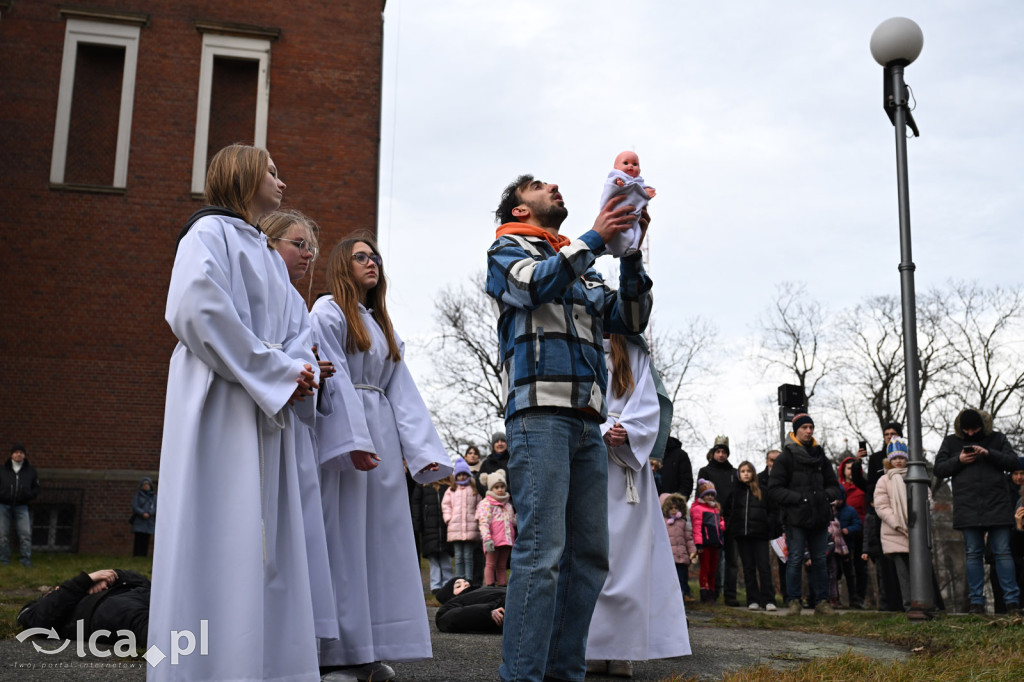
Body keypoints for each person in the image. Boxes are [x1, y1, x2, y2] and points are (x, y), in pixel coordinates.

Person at [150, 144, 322, 682]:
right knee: (216, 529)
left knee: (267, 543)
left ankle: (263, 664)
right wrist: (275, 372)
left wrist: (301, 370)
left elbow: (296, 329)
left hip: (264, 410)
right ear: (244, 177)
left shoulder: (266, 254)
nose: (282, 182)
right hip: (219, 397)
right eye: (272, 171)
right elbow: (196, 308)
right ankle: (201, 667)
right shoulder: (208, 234)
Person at [485, 173, 653, 682]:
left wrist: (629, 251)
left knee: (589, 558)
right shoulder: (507, 249)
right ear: (518, 210)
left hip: (587, 423)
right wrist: (597, 238)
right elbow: (533, 285)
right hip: (539, 416)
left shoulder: (581, 265)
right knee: (541, 553)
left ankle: (564, 674)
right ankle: (522, 677)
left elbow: (631, 318)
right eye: (537, 185)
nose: (553, 185)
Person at [311, 235, 452, 681]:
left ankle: (370, 646)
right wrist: (353, 439)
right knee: (344, 541)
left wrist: (424, 454)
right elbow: (331, 381)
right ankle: (333, 652)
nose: (371, 262)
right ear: (342, 265)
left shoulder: (382, 325)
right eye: (361, 257)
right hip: (344, 438)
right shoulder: (328, 312)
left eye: (375, 257)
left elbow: (402, 393)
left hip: (383, 441)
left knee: (379, 544)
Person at [586, 334, 690, 677]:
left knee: (629, 556)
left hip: (628, 468)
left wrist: (627, 430)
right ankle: (590, 645)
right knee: (591, 551)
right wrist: (601, 428)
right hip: (589, 455)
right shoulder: (577, 339)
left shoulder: (633, 351)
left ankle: (623, 649)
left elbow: (649, 402)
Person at [263, 208, 340, 642]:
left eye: (312, 247)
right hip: (261, 410)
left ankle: (293, 633)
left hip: (290, 420)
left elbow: (297, 350)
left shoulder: (295, 300)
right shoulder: (254, 284)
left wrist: (311, 367)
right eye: (299, 244)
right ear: (270, 242)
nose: (309, 254)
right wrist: (298, 366)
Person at [933, 408, 1021, 615]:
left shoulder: (997, 438)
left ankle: (1012, 602)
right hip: (968, 506)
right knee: (973, 554)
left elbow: (1013, 462)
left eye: (975, 429)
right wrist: (959, 460)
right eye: (967, 430)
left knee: (1003, 553)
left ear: (983, 426)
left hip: (997, 504)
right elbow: (939, 468)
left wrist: (988, 453)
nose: (971, 433)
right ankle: (976, 603)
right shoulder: (951, 442)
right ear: (961, 429)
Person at [768, 413, 843, 616]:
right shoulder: (786, 458)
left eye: (811, 427)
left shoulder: (821, 457)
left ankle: (821, 602)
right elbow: (774, 489)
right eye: (804, 427)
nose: (808, 431)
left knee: (820, 560)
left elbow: (834, 486)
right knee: (795, 559)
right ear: (795, 430)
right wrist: (800, 498)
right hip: (795, 518)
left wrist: (824, 497)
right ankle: (794, 601)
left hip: (819, 517)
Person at [18, 568, 150, 645]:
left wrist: (111, 577)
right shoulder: (33, 610)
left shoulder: (81, 589)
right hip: (103, 609)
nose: (59, 589)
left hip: (137, 591)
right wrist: (85, 580)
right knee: (149, 627)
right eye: (55, 591)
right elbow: (40, 622)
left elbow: (142, 580)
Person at [852, 422, 904, 611]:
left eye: (894, 434)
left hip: (902, 513)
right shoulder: (876, 459)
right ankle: (886, 602)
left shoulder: (906, 457)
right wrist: (858, 464)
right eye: (887, 434)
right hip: (881, 515)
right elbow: (865, 485)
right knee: (884, 562)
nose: (890, 437)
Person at [697, 436, 739, 606]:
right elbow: (699, 496)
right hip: (711, 521)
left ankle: (730, 594)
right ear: (713, 453)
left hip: (731, 520)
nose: (721, 455)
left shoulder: (733, 473)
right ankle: (711, 592)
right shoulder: (705, 471)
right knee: (711, 560)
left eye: (724, 452)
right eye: (718, 452)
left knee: (732, 560)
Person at [873, 437, 914, 611]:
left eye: (902, 457)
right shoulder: (884, 480)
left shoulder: (915, 476)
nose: (898, 461)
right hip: (895, 532)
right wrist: (898, 524)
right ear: (890, 460)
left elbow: (926, 500)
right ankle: (908, 605)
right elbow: (882, 506)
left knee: (919, 570)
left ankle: (924, 601)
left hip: (915, 530)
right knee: (902, 573)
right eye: (895, 458)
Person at [730, 461, 775, 611]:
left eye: (749, 471)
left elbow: (772, 511)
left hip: (760, 534)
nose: (746, 474)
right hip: (742, 535)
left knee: (764, 567)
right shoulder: (735, 492)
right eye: (742, 471)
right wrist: (733, 529)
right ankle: (752, 599)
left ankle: (768, 599)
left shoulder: (762, 490)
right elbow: (729, 512)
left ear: (753, 473)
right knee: (748, 567)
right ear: (739, 474)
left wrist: (768, 526)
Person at [599, 151, 656, 257]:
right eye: (626, 163)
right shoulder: (616, 177)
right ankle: (615, 244)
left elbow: (642, 188)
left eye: (635, 164)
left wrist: (647, 191)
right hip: (616, 209)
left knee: (633, 228)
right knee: (616, 226)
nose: (631, 166)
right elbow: (611, 187)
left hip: (632, 214)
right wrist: (617, 184)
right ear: (616, 167)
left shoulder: (638, 181)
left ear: (639, 170)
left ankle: (631, 246)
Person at [413, 476, 455, 593]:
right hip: (428, 528)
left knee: (446, 558)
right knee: (433, 559)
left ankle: (448, 584)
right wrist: (417, 524)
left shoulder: (449, 487)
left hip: (446, 527)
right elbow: (416, 505)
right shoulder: (422, 486)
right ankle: (435, 585)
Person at [1, 443, 40, 567]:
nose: (19, 454)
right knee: (2, 535)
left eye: (21, 452)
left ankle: (26, 559)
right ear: (12, 454)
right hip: (3, 505)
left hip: (22, 506)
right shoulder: (3, 470)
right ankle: (4, 559)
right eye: (16, 452)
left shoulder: (30, 471)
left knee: (25, 534)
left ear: (24, 455)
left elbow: (36, 488)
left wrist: (29, 495)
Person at [443, 458, 482, 581]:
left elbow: (480, 505)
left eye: (464, 474)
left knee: (468, 556)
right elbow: (446, 505)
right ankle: (460, 580)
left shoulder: (474, 490)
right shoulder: (451, 490)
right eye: (459, 474)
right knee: (459, 556)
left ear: (468, 475)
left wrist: (476, 518)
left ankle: (469, 580)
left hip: (471, 528)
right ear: (456, 476)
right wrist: (449, 518)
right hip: (455, 527)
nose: (462, 477)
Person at [836, 455, 867, 608]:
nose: (851, 471)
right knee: (838, 567)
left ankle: (858, 598)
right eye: (848, 468)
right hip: (840, 536)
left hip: (859, 532)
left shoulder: (862, 486)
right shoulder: (838, 488)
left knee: (860, 567)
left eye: (853, 468)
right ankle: (834, 597)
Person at [476, 470, 516, 587]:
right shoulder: (486, 503)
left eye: (502, 486)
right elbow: (484, 522)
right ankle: (490, 586)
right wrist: (487, 539)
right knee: (490, 564)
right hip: (492, 541)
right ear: (491, 489)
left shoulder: (508, 505)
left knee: (502, 565)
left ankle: (503, 587)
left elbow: (512, 521)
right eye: (496, 487)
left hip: (506, 540)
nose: (500, 489)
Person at [758, 449, 786, 606]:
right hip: (763, 524)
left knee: (785, 561)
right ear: (767, 461)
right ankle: (766, 596)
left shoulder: (787, 478)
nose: (774, 463)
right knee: (763, 563)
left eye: (777, 460)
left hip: (782, 524)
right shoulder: (759, 479)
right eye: (771, 460)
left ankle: (787, 595)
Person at [691, 479, 725, 604]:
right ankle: (704, 592)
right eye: (707, 494)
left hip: (715, 543)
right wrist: (698, 543)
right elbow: (697, 527)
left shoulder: (715, 509)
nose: (710, 497)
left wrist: (722, 526)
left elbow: (720, 523)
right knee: (705, 568)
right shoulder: (698, 509)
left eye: (712, 494)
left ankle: (712, 591)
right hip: (705, 543)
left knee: (713, 569)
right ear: (702, 495)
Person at [434, 578, 507, 634]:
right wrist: (488, 611)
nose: (465, 584)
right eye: (458, 586)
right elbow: (447, 618)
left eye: (466, 582)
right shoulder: (453, 602)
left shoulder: (481, 590)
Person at [661, 493, 697, 602]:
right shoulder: (663, 522)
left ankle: (684, 595)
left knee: (682, 578)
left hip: (681, 557)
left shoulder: (683, 523)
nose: (673, 510)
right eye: (671, 508)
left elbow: (689, 539)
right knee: (668, 579)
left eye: (676, 508)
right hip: (668, 557)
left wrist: (693, 552)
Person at [129, 477, 156, 558]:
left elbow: (155, 507)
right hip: (140, 520)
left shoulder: (154, 497)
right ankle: (137, 555)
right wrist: (142, 513)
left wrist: (149, 513)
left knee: (146, 539)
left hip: (149, 521)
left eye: (147, 485)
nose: (146, 487)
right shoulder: (138, 496)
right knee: (138, 538)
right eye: (144, 485)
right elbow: (135, 506)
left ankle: (144, 555)